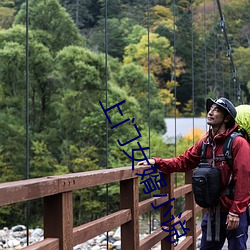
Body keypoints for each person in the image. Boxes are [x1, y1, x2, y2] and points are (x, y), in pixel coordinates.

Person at [137, 97, 250, 250]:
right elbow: (184, 161)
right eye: (210, 109)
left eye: (216, 110)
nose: (210, 112)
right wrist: (157, 162)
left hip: (233, 211)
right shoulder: (205, 143)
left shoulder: (238, 143)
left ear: (227, 118)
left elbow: (244, 178)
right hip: (212, 211)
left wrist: (236, 212)